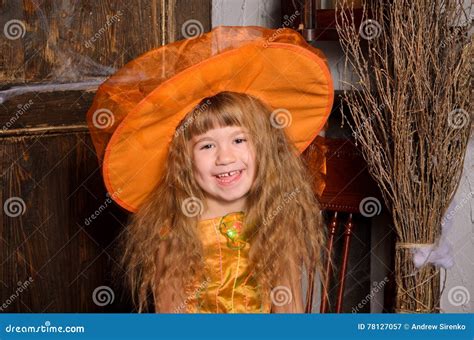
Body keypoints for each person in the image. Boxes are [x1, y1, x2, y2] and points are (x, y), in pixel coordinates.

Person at [86, 26, 334, 313]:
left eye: (239, 139)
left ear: (264, 146)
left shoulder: (276, 219)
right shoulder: (174, 231)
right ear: (183, 159)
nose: (225, 157)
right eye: (206, 146)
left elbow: (289, 310)